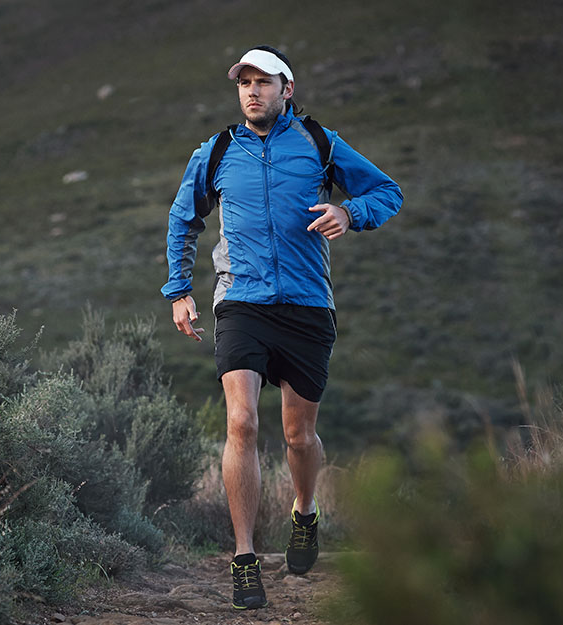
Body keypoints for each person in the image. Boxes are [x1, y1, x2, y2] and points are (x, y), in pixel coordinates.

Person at [161, 45, 402, 610]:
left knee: (298, 436)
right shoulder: (218, 150)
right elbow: (182, 217)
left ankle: (304, 511)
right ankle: (243, 558)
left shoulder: (318, 144)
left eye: (263, 82)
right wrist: (178, 290)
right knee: (241, 423)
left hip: (307, 307)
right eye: (244, 82)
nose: (252, 91)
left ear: (285, 89)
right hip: (240, 301)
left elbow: (386, 192)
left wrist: (350, 212)